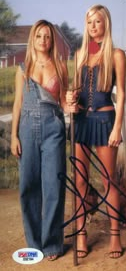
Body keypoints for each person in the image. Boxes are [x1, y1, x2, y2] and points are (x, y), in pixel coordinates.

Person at [66, 4, 126, 259]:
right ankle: (81, 234)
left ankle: (115, 235)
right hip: (81, 121)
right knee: (80, 180)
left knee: (108, 180)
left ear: (106, 24)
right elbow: (75, 88)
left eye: (97, 21)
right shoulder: (80, 54)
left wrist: (117, 128)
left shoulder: (116, 54)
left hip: (104, 121)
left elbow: (121, 94)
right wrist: (71, 97)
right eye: (89, 22)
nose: (93, 26)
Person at [11, 19, 68, 261]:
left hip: (53, 129)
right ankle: (34, 243)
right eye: (39, 36)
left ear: (52, 40)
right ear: (33, 39)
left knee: (53, 186)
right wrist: (13, 135)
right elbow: (18, 103)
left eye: (48, 37)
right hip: (27, 129)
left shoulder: (61, 67)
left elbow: (64, 103)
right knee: (29, 186)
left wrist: (72, 104)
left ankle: (52, 243)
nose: (44, 40)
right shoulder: (23, 69)